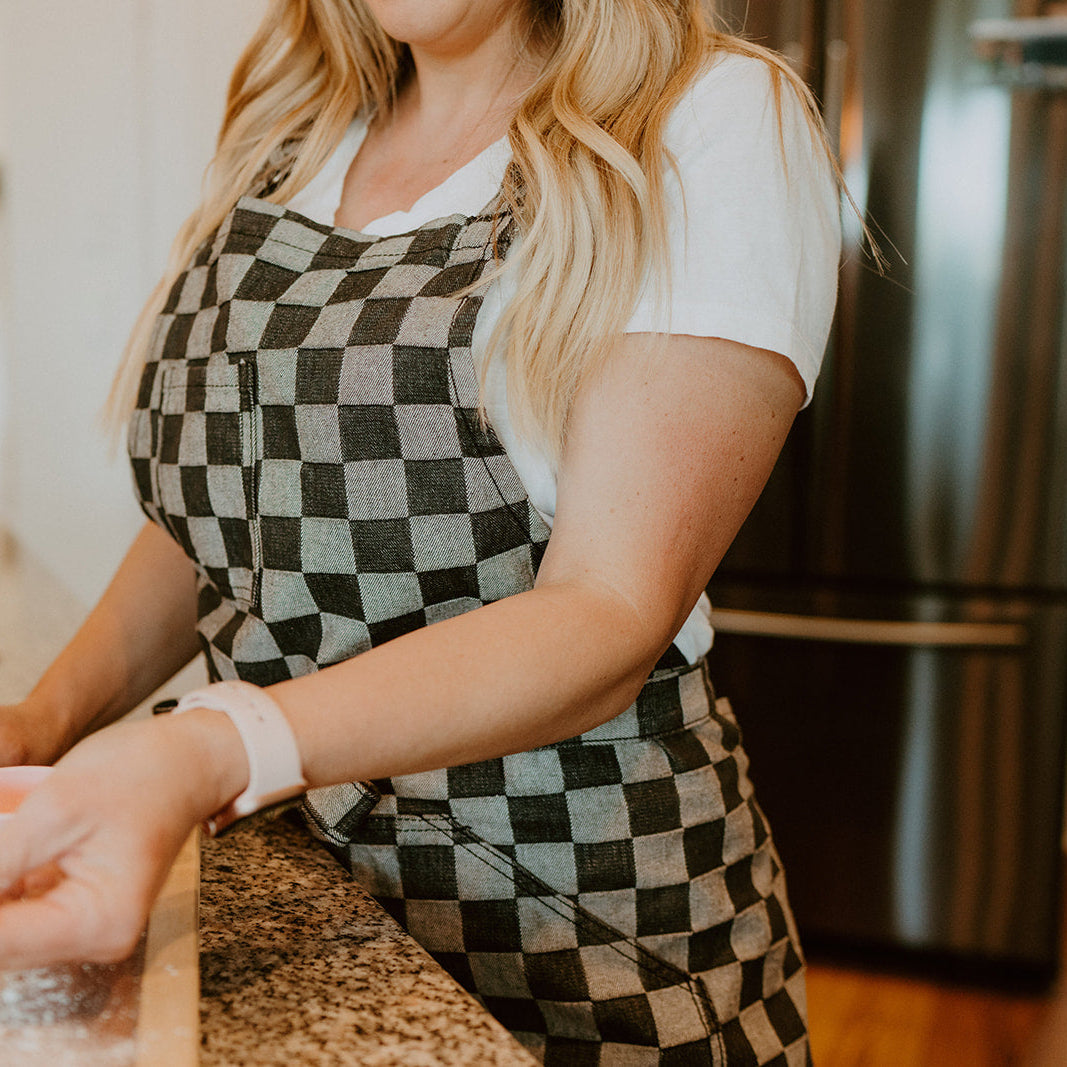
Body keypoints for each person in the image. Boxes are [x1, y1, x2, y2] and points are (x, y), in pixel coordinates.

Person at [0, 0, 841, 1062]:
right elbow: (230, 528)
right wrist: (40, 720)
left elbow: (610, 607)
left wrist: (214, 748)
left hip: (587, 927)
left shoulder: (704, 118)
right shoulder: (294, 132)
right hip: (305, 902)